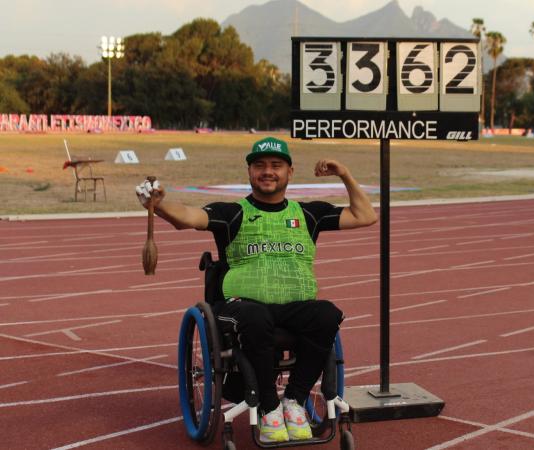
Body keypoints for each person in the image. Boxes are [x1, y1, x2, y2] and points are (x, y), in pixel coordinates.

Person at [134, 137, 377, 443]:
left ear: (290, 171)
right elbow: (187, 217)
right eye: (259, 165)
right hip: (241, 309)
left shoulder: (308, 214)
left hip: (294, 307)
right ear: (249, 172)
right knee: (255, 316)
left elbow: (365, 216)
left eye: (276, 166)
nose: (268, 172)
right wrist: (156, 203)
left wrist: (344, 174)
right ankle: (269, 407)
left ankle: (293, 401)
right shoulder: (233, 213)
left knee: (328, 315)